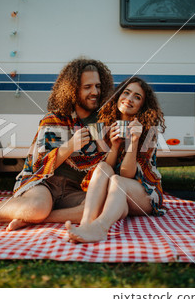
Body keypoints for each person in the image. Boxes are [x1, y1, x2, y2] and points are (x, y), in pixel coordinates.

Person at [0, 58, 113, 231]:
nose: (95, 92)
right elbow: (39, 166)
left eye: (98, 86)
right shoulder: (55, 119)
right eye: (87, 87)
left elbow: (103, 164)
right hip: (44, 183)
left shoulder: (101, 122)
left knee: (99, 208)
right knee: (37, 207)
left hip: (74, 188)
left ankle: (32, 219)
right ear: (73, 89)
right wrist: (70, 146)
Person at [65, 76, 166, 243]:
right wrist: (115, 146)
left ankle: (100, 229)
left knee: (118, 181)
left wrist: (133, 142)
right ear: (118, 95)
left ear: (143, 105)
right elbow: (106, 168)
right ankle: (86, 225)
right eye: (126, 93)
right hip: (117, 197)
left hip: (143, 194)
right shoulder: (101, 127)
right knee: (103, 169)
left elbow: (127, 176)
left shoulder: (149, 131)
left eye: (137, 97)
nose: (129, 99)